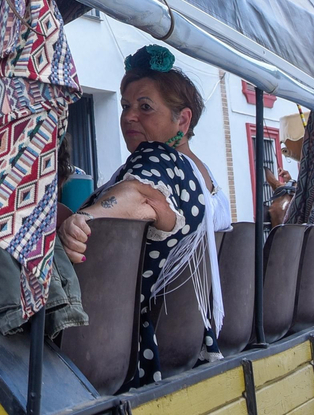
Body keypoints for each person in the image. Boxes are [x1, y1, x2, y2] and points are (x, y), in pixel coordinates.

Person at [57, 45, 219, 386]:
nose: (129, 116)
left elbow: (141, 196)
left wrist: (86, 218)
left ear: (183, 119)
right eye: (125, 106)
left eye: (145, 107)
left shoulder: (159, 157)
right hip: (178, 344)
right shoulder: (202, 176)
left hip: (119, 346)